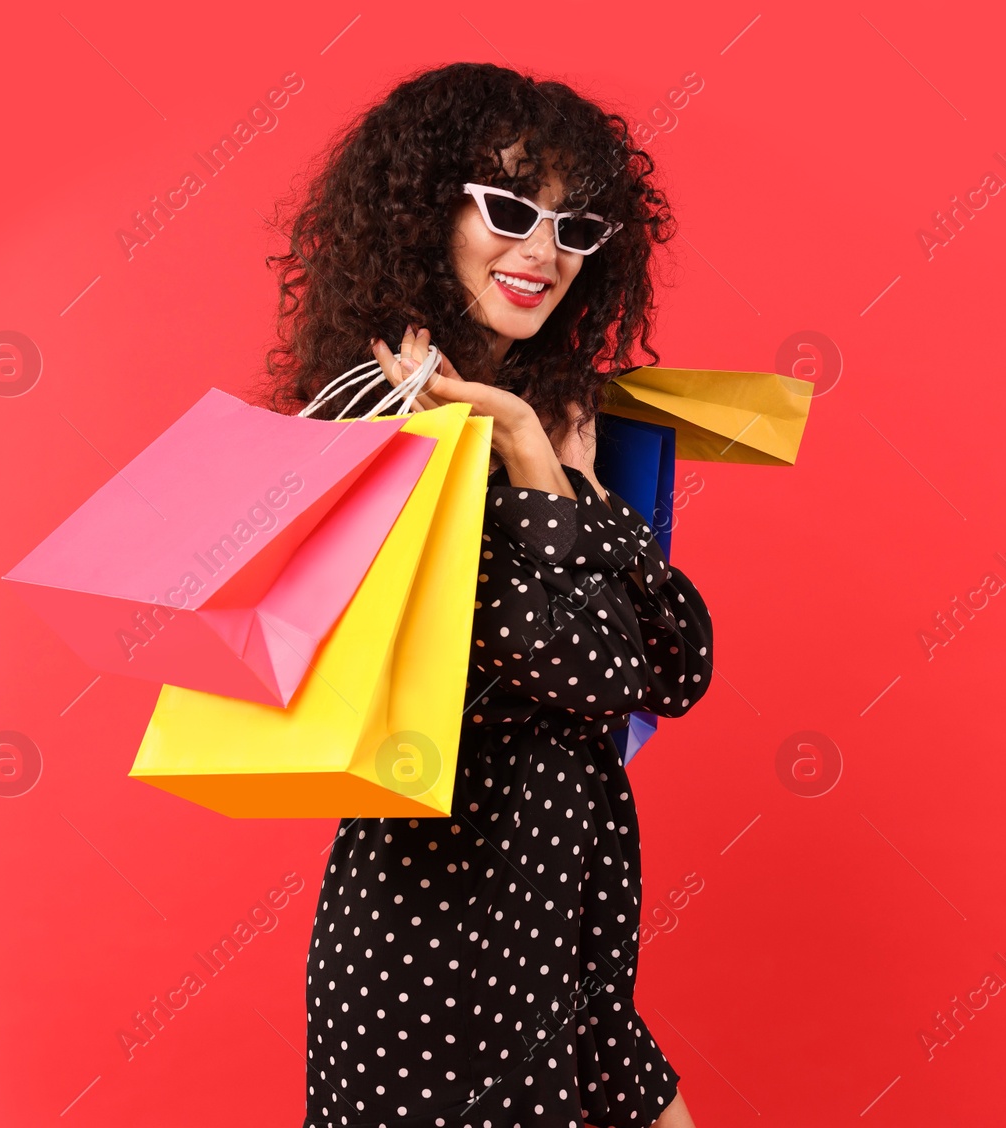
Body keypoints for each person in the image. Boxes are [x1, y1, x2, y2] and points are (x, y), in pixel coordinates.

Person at [264, 63, 715, 1128]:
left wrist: (542, 461)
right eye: (510, 210)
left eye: (572, 227)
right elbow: (586, 667)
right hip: (440, 967)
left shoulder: (552, 416)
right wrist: (531, 461)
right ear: (428, 216)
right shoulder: (378, 434)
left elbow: (680, 662)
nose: (541, 253)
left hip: (572, 954)